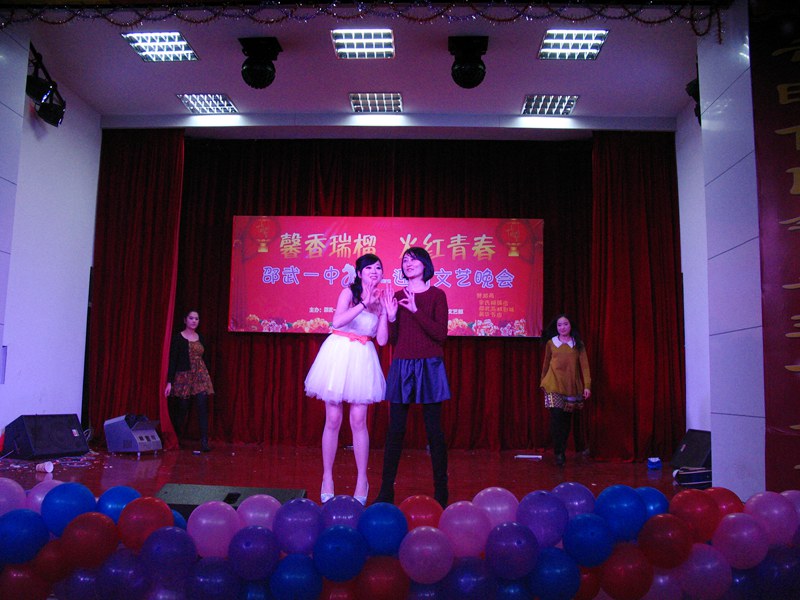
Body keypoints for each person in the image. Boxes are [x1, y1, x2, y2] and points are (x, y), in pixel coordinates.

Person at [304, 253, 389, 505]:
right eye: (369, 268)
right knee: (333, 418)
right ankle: (327, 477)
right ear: (359, 273)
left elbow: (382, 340)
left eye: (378, 268)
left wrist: (384, 312)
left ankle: (362, 479)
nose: (374, 271)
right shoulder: (348, 293)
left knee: (359, 419)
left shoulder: (382, 298)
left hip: (362, 356)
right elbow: (337, 322)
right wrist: (363, 303)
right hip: (339, 353)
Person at [374, 247, 450, 508]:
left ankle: (442, 491)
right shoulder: (396, 296)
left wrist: (416, 310)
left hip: (430, 364)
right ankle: (385, 491)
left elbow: (440, 334)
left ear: (425, 265)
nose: (408, 263)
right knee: (395, 430)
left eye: (414, 259)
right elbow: (394, 339)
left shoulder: (437, 295)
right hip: (403, 364)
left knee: (434, 431)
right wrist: (391, 317)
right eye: (405, 260)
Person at [540, 313, 591, 466]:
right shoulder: (551, 343)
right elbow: (546, 363)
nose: (562, 327)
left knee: (566, 421)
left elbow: (585, 366)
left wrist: (587, 386)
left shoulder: (577, 344)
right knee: (556, 418)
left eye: (565, 324)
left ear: (571, 325)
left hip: (570, 386)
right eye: (559, 325)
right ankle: (558, 453)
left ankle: (561, 448)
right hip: (553, 384)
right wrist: (542, 381)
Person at [165, 309, 215, 453]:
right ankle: (176, 438)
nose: (194, 321)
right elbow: (173, 360)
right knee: (182, 408)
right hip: (184, 376)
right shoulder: (178, 338)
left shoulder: (201, 338)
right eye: (191, 318)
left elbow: (205, 358)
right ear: (185, 320)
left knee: (202, 406)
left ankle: (204, 441)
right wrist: (169, 381)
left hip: (200, 376)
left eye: (196, 319)